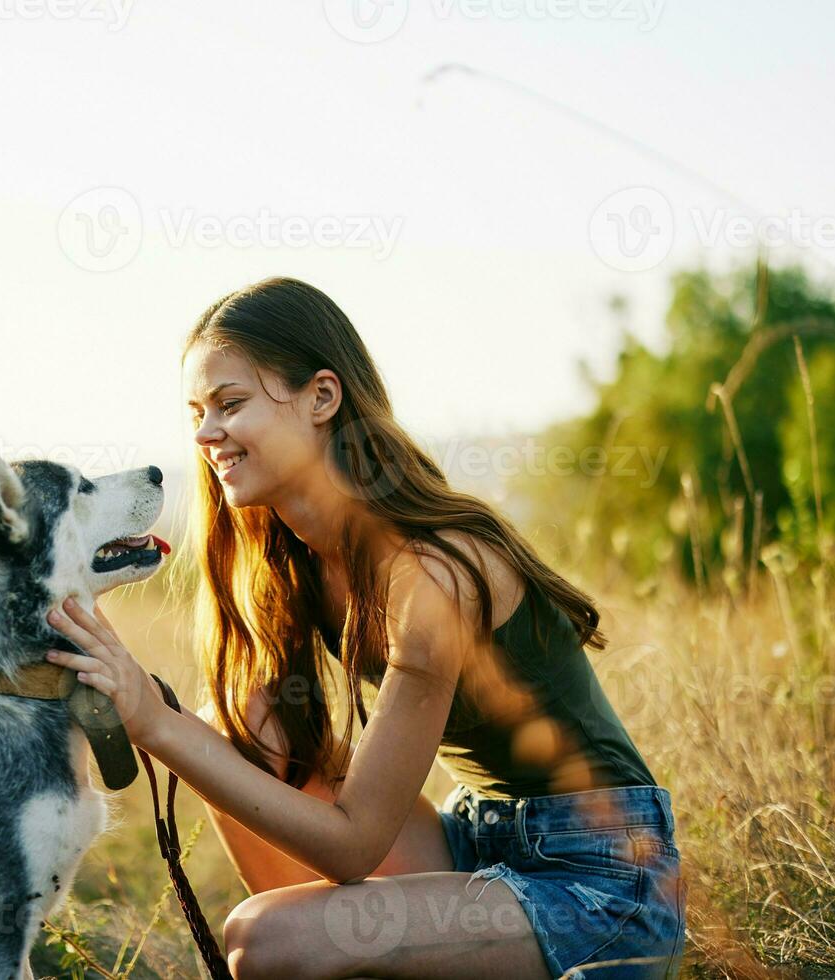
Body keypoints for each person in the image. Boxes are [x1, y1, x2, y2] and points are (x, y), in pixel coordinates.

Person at [44, 276, 686, 979]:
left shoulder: (432, 573)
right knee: (243, 725)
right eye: (196, 412)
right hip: (479, 843)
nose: (204, 434)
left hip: (602, 886)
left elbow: (352, 846)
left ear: (322, 397)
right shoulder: (301, 563)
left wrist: (154, 725)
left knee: (265, 939)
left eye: (230, 404)